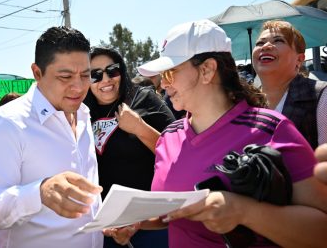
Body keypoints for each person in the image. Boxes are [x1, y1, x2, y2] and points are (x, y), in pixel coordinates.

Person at [109, 19, 327, 247]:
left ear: (207, 70)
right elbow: (171, 214)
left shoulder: (273, 129)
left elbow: (321, 231)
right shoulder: (168, 137)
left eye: (170, 73)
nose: (163, 85)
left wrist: (244, 212)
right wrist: (136, 222)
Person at [0, 26, 103, 248]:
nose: (79, 86)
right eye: (65, 76)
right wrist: (39, 192)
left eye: (85, 75)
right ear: (37, 72)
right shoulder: (7, 123)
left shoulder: (83, 114)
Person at [84, 47, 175, 248]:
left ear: (122, 71)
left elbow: (176, 153)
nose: (106, 79)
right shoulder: (81, 112)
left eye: (112, 70)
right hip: (105, 226)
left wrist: (140, 128)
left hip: (149, 223)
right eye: (95, 75)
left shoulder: (143, 99)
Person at [252, 20, 327, 149]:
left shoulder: (321, 96)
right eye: (260, 43)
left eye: (278, 41)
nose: (266, 46)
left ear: (299, 59)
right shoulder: (247, 101)